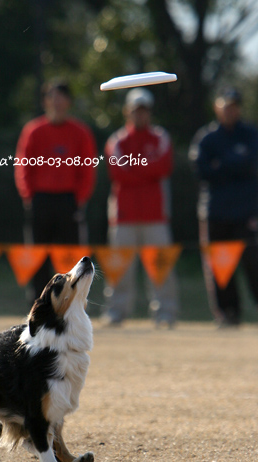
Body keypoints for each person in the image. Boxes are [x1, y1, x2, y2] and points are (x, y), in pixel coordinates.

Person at [14, 79, 97, 301]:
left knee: (70, 257)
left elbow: (87, 168)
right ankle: (38, 303)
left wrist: (79, 198)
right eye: (52, 97)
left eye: (61, 97)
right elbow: (23, 165)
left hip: (68, 201)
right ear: (44, 101)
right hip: (40, 200)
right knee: (38, 256)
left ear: (68, 102)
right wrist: (28, 195)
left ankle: (70, 302)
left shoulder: (80, 132)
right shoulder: (33, 131)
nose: (56, 102)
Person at [104, 87, 178, 326]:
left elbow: (163, 167)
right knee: (120, 269)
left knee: (160, 267)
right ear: (128, 112)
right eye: (136, 110)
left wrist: (135, 170)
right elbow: (117, 172)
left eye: (144, 110)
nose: (140, 115)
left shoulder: (161, 137)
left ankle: (165, 312)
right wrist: (147, 172)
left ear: (150, 112)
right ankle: (116, 311)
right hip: (124, 215)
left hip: (155, 214)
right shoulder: (117, 140)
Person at [189, 88, 258, 327]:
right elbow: (202, 171)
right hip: (215, 213)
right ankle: (228, 314)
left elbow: (252, 166)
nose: (230, 110)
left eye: (234, 105)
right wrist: (236, 163)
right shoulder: (206, 138)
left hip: (247, 213)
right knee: (220, 268)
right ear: (217, 107)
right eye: (225, 105)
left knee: (253, 263)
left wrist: (222, 165)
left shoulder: (251, 134)